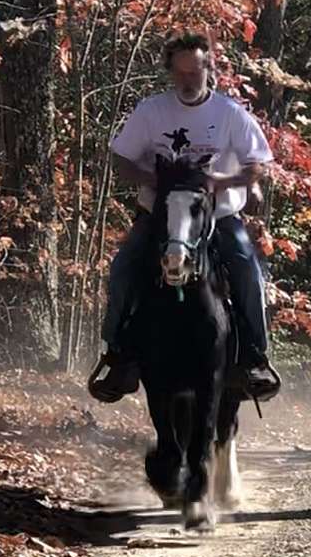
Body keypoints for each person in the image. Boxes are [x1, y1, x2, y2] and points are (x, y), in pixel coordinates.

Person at [89, 31, 281, 404]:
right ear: (170, 73)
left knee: (246, 266)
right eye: (180, 74)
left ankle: (255, 357)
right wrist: (156, 181)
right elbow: (122, 159)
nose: (188, 81)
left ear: (209, 69)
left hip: (218, 216)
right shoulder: (151, 111)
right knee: (124, 267)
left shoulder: (229, 114)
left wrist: (217, 182)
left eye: (195, 72)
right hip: (159, 214)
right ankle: (118, 355)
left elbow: (257, 165)